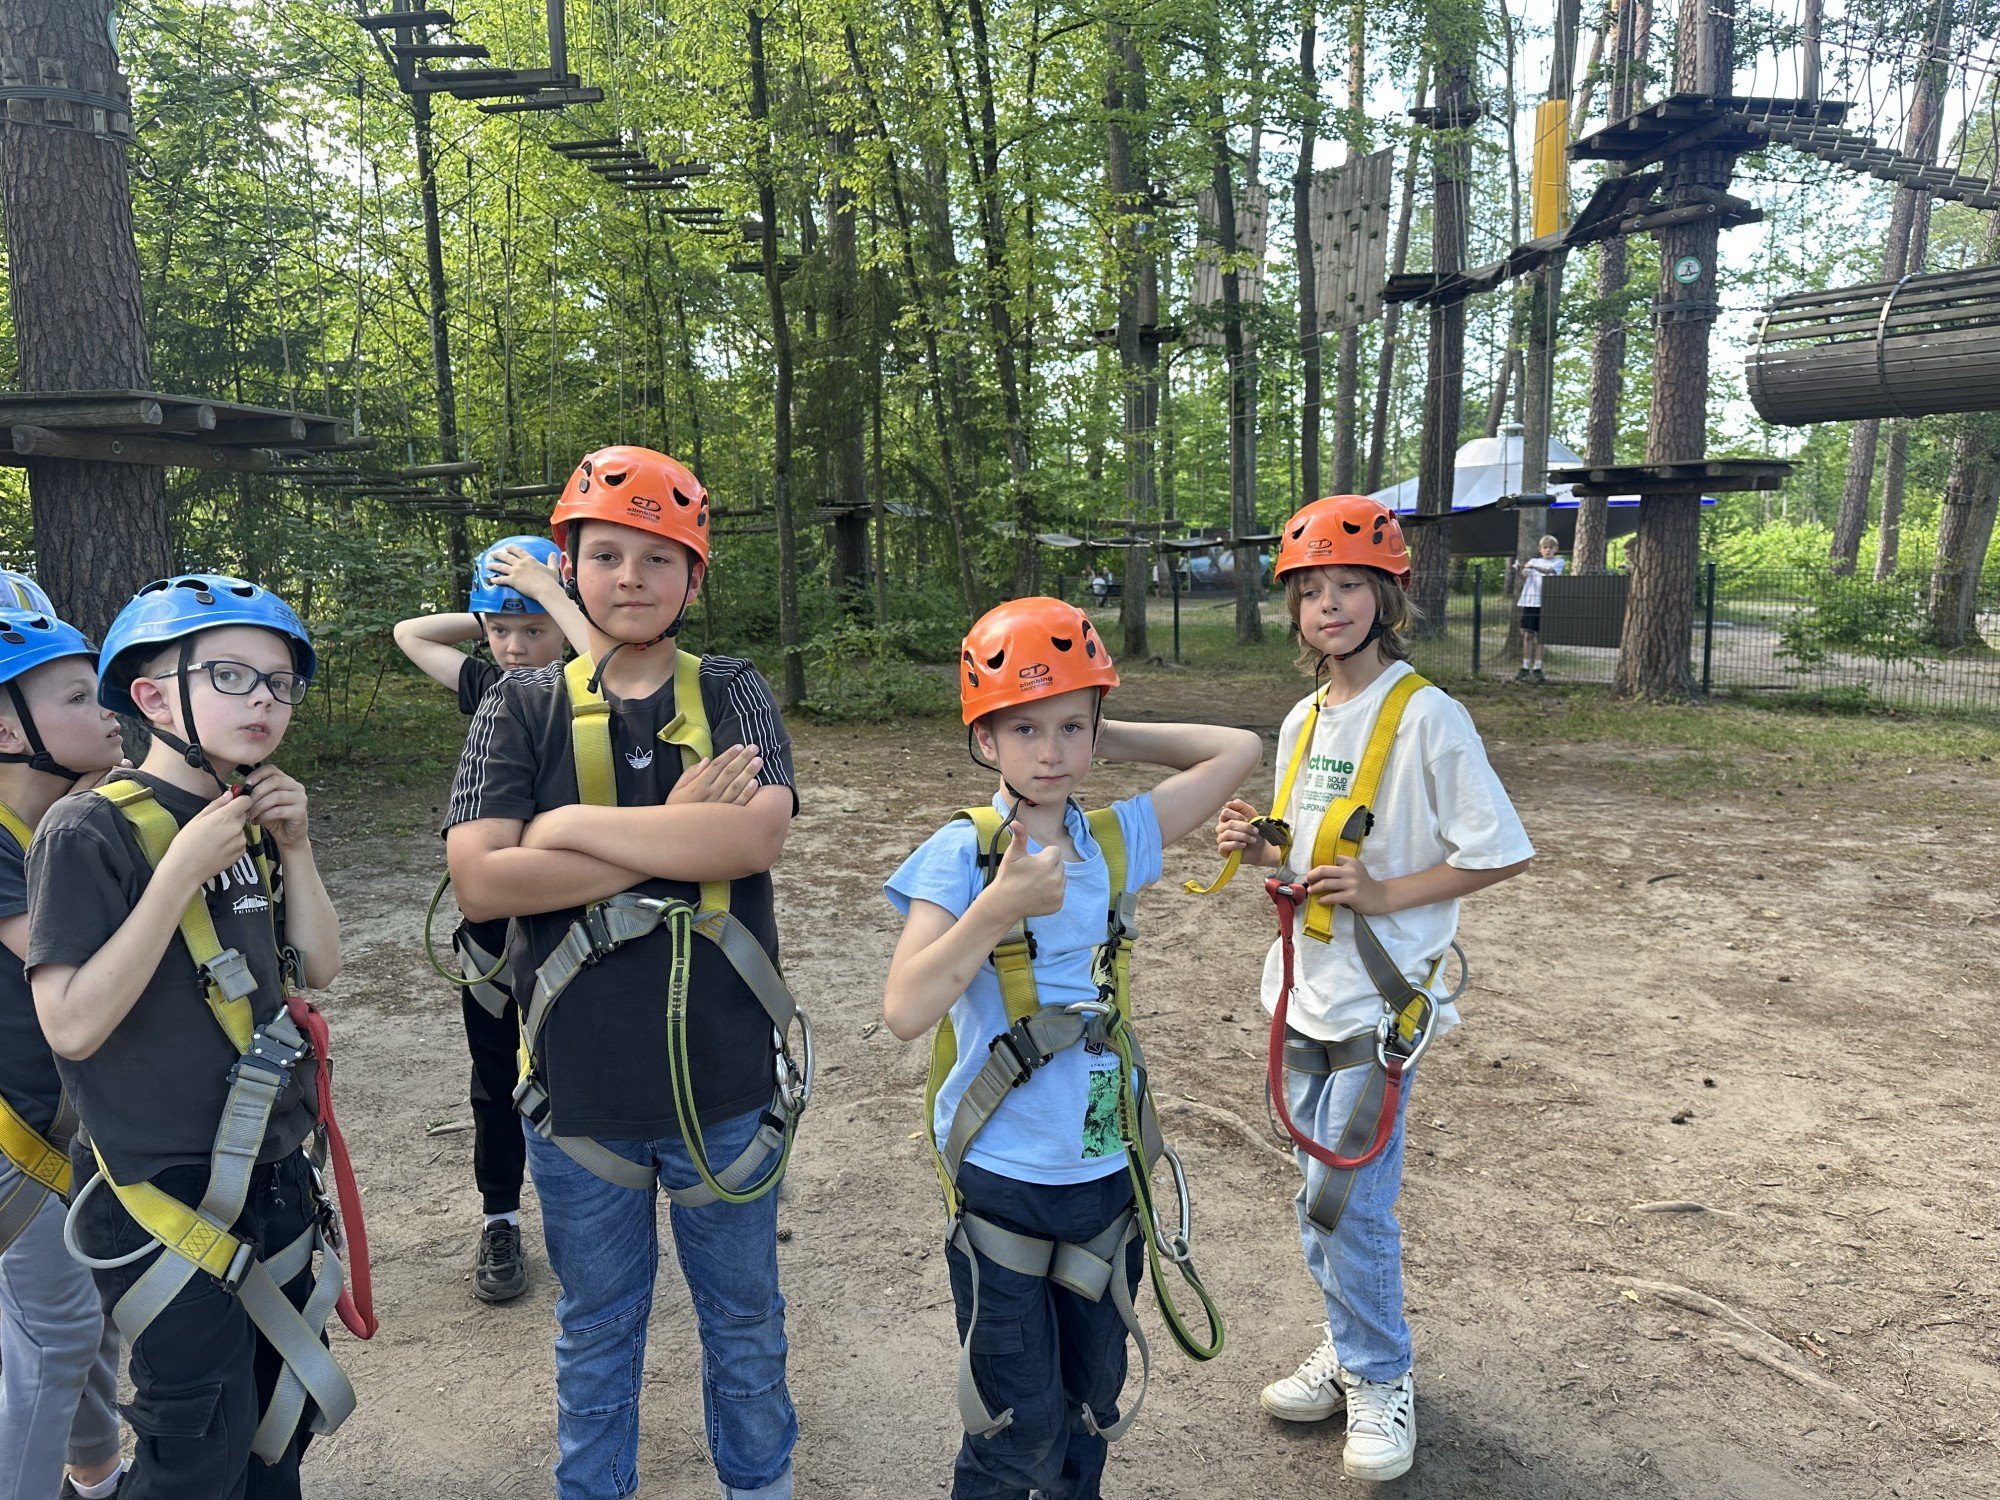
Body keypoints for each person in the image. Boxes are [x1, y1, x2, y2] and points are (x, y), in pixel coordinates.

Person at [444, 446, 806, 1500]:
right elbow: (480, 880)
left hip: (724, 1087)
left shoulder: (730, 691)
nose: (632, 578)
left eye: (659, 558)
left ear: (694, 578)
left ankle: (759, 1486)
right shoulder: (520, 704)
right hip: (580, 1096)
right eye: (606, 555)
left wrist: (559, 829)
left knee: (744, 1320)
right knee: (596, 1327)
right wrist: (672, 832)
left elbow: (752, 840)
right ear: (570, 569)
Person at [883, 596, 1259, 1499]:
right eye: (1023, 728)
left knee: (1089, 1407)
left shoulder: (1119, 840)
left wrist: (1098, 725)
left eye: (1068, 730)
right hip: (1003, 1182)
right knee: (1015, 1427)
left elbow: (1238, 748)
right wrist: (999, 909)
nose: (1048, 753)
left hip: (1102, 1172)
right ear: (983, 739)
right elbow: (905, 1009)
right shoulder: (962, 855)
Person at [1211, 494, 1531, 1482]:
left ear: (1387, 595)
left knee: (1345, 1202)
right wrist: (1260, 844)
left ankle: (1380, 1372)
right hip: (1302, 991)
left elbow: (1498, 851)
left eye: (1349, 585)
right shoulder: (1304, 718)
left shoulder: (1429, 716)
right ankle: (1351, 1347)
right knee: (1321, 1200)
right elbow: (1306, 846)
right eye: (1311, 591)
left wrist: (1387, 893)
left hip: (1378, 1005)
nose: (1329, 605)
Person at [27, 574, 350, 1499]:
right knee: (197, 1444)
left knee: (278, 1423)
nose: (263, 701)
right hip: (163, 1191)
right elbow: (71, 1023)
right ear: (153, 697)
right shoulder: (86, 831)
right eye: (231, 676)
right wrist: (175, 878)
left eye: (280, 683)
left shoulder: (249, 819)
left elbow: (319, 966)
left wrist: (296, 848)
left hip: (271, 1174)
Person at [393, 534, 591, 1302]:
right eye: (498, 630)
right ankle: (500, 1217)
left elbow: (606, 657)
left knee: (579, 1064)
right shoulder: (489, 682)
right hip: (493, 926)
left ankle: (597, 1209)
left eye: (532, 629)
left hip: (572, 916)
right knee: (495, 1076)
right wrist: (497, 608)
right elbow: (409, 634)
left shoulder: (591, 686)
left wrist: (552, 596)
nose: (513, 646)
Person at [0, 606, 127, 1500]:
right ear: (9, 731)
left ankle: (96, 1477)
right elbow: (73, 974)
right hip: (15, 1143)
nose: (109, 710)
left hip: (52, 1129)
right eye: (80, 697)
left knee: (87, 1319)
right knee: (54, 1337)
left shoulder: (55, 824)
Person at [1516, 534, 1565, 683]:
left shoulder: (1559, 561)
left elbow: (1549, 571)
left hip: (1547, 602)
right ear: (1540, 549)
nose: (1548, 550)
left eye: (1551, 548)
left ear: (1556, 549)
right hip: (1531, 602)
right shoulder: (1533, 561)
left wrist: (1533, 567)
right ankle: (1525, 666)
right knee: (1528, 635)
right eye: (1545, 547)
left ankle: (1537, 667)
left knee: (1542, 636)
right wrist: (1522, 568)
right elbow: (1525, 574)